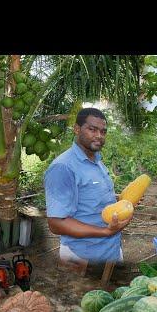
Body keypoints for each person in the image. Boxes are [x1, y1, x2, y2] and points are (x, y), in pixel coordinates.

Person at [44, 108, 132, 276]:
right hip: (82, 258)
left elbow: (94, 199)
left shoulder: (97, 161)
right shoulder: (63, 167)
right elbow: (56, 223)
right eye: (92, 129)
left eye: (103, 131)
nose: (99, 135)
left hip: (110, 252)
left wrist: (122, 202)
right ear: (77, 129)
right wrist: (105, 232)